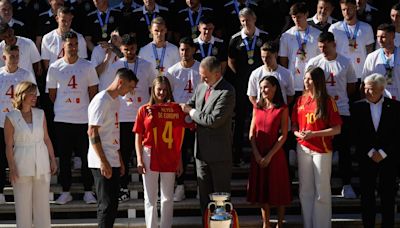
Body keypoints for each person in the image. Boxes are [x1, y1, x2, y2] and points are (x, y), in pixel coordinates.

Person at [47, 31, 99, 205]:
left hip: (83, 119)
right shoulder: (54, 67)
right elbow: (52, 94)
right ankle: (66, 190)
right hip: (62, 119)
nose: (73, 48)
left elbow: (93, 93)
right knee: (65, 156)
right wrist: (65, 105)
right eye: (70, 44)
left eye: (76, 44)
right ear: (64, 45)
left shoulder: (88, 66)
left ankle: (88, 191)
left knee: (86, 157)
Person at [134, 76, 192, 228]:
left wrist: (179, 159)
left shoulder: (174, 109)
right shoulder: (144, 110)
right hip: (150, 153)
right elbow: (138, 136)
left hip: (169, 153)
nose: (162, 93)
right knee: (150, 197)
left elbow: (179, 135)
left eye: (165, 90)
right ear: (152, 89)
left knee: (167, 197)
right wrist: (139, 159)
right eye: (159, 89)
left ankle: (166, 226)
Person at [181, 56, 235, 217]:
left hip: (219, 155)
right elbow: (189, 104)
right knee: (204, 201)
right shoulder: (201, 87)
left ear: (217, 74)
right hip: (201, 154)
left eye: (205, 76)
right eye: (201, 75)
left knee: (221, 200)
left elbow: (213, 120)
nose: (202, 79)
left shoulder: (227, 91)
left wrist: (190, 112)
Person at [306, 31, 357, 199]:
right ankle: (321, 184)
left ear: (333, 44)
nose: (323, 50)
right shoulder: (314, 63)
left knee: (343, 149)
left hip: (341, 109)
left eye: (326, 47)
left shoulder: (345, 62)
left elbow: (351, 86)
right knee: (321, 148)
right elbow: (309, 87)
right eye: (320, 47)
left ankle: (346, 184)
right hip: (321, 110)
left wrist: (337, 102)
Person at [106, 34, 156, 202]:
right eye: (126, 49)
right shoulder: (116, 66)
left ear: (137, 48)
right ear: (121, 49)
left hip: (141, 115)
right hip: (123, 116)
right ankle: (122, 187)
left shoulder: (147, 66)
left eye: (132, 49)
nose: (129, 52)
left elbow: (152, 90)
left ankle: (150, 187)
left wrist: (149, 111)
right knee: (125, 153)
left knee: (146, 152)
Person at [292, 66, 342, 228]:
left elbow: (337, 129)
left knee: (322, 191)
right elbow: (294, 126)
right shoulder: (300, 100)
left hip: (322, 149)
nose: (306, 82)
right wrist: (298, 134)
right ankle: (308, 224)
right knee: (305, 191)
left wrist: (314, 134)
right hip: (303, 148)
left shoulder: (328, 101)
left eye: (310, 79)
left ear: (318, 80)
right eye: (305, 78)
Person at [88, 68, 138, 228]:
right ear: (120, 82)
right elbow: (92, 131)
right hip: (101, 160)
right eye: (130, 87)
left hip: (113, 157)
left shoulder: (116, 100)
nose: (131, 91)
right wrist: (103, 161)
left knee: (113, 205)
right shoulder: (101, 100)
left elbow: (113, 132)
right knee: (106, 205)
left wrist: (119, 159)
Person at [4, 81, 57, 228]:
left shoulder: (40, 113)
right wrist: (12, 168)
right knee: (23, 207)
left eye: (36, 94)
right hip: (21, 164)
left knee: (42, 207)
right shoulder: (11, 116)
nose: (35, 97)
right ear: (22, 95)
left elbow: (46, 138)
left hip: (41, 163)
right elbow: (8, 146)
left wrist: (52, 159)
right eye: (31, 94)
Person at [351, 73, 400, 228]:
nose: (367, 92)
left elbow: (397, 134)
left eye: (371, 89)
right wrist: (371, 152)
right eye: (365, 88)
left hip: (389, 159)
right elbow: (356, 135)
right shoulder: (357, 107)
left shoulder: (396, 107)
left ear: (381, 89)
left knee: (388, 197)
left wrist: (384, 153)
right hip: (367, 158)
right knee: (367, 198)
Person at [247, 76, 291, 228]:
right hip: (258, 154)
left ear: (275, 87)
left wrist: (269, 156)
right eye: (261, 88)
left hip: (275, 155)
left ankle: (279, 223)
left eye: (266, 87)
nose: (263, 90)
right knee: (262, 191)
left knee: (278, 190)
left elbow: (284, 135)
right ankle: (266, 224)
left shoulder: (282, 108)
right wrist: (257, 155)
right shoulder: (257, 107)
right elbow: (252, 133)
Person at [228, 7, 269, 166]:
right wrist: (240, 75)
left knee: (262, 119)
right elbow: (231, 60)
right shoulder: (235, 39)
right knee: (240, 119)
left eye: (248, 19)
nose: (246, 23)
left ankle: (262, 153)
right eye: (243, 21)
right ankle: (237, 155)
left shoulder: (264, 36)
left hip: (263, 85)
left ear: (254, 19)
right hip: (242, 84)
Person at [0, 44, 38, 204]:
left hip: (21, 123)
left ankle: (24, 190)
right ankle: (0, 191)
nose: (15, 59)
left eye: (17, 56)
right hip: (1, 121)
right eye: (11, 56)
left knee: (22, 156)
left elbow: (34, 96)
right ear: (4, 58)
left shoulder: (26, 74)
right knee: (1, 158)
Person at [167, 37, 201, 202]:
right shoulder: (172, 71)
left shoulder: (201, 68)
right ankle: (179, 186)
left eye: (187, 49)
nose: (184, 53)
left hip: (197, 116)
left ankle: (200, 187)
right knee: (179, 153)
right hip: (178, 119)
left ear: (194, 50)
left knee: (198, 154)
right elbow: (169, 95)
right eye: (181, 49)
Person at [328, 0, 374, 88]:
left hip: (361, 76)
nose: (346, 12)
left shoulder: (367, 28)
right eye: (343, 9)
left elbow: (370, 54)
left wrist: (369, 75)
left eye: (349, 9)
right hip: (340, 75)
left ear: (355, 7)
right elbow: (330, 51)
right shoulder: (334, 28)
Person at [279, 1, 321, 97]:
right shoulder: (286, 36)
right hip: (294, 82)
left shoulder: (317, 34)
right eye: (293, 17)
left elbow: (320, 59)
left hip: (312, 81)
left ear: (306, 14)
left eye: (299, 16)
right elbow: (283, 60)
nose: (296, 20)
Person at [247, 41, 295, 106]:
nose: (265, 60)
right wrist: (259, 108)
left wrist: (281, 108)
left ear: (275, 55)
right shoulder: (255, 74)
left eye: (268, 57)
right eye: (262, 57)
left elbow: (290, 96)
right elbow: (252, 95)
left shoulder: (287, 74)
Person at [41, 6, 88, 71]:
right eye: (63, 20)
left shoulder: (79, 38)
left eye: (69, 20)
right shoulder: (47, 38)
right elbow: (47, 65)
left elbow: (83, 62)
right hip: (55, 77)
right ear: (57, 19)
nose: (66, 23)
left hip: (75, 76)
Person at [362, 24, 400, 100]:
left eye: (383, 37)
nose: (379, 40)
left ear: (392, 36)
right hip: (380, 103)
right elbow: (364, 83)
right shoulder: (371, 57)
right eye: (378, 37)